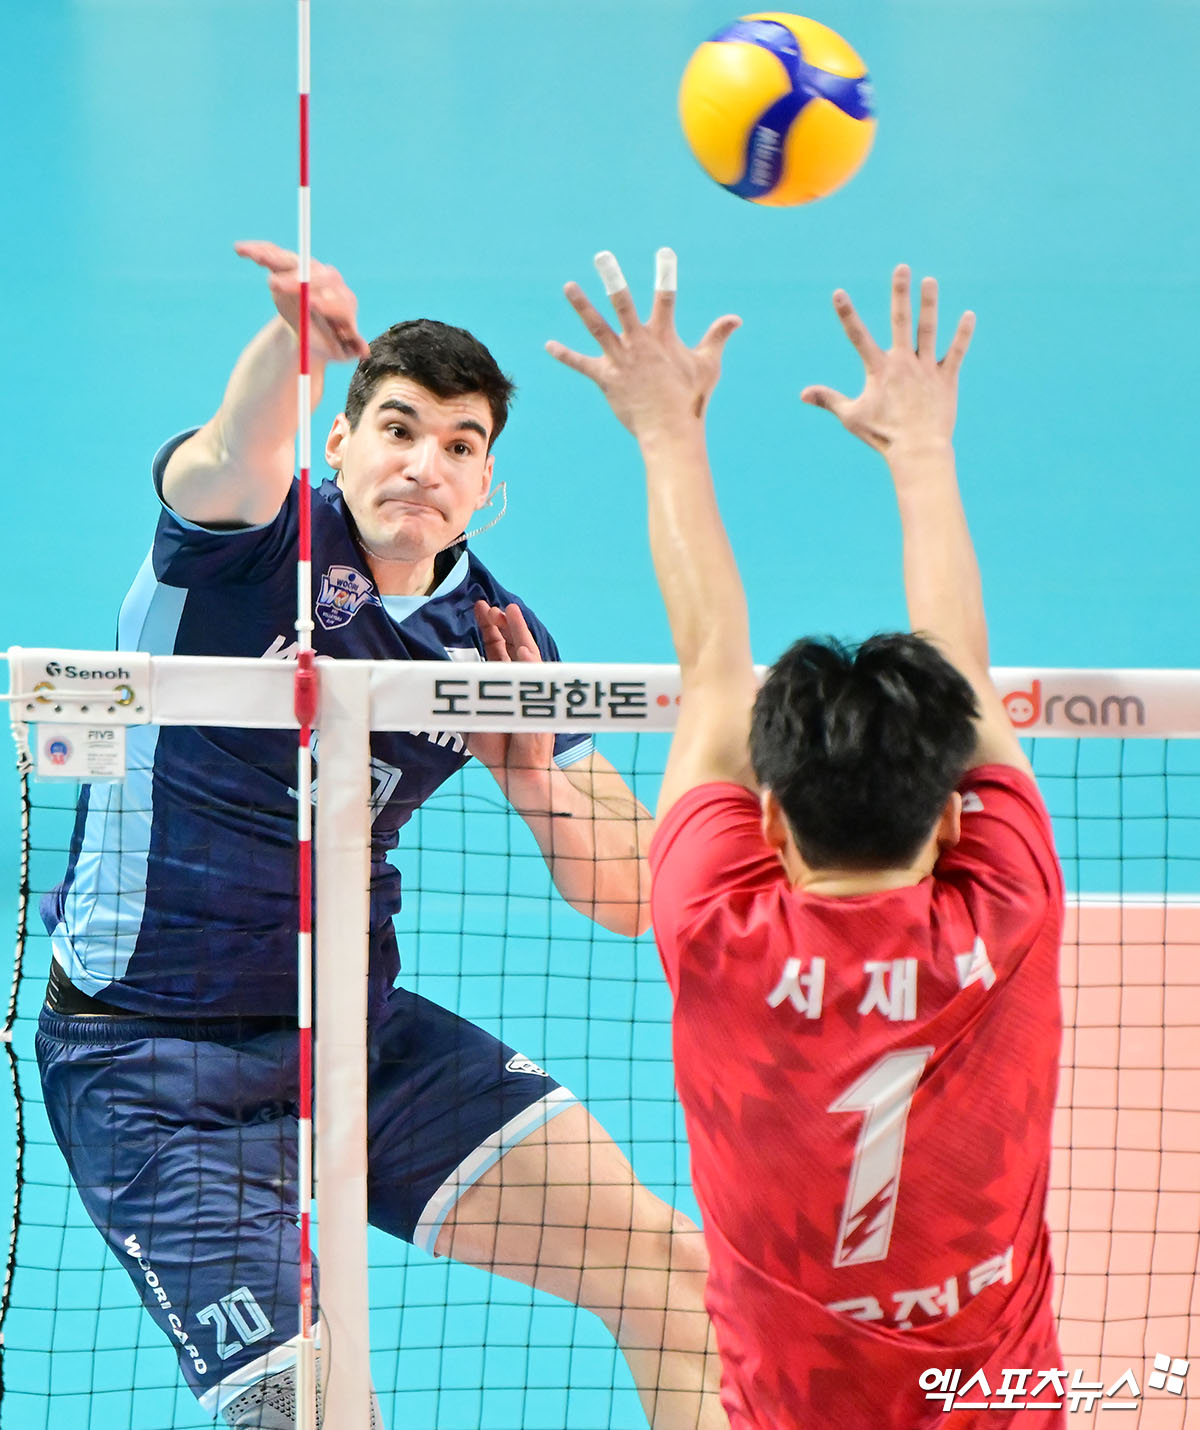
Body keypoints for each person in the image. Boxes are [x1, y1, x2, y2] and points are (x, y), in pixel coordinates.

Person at [35, 241, 727, 1429]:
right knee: (308, 1411)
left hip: (355, 1037)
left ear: (488, 483)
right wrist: (292, 345)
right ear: (341, 440)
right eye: (398, 428)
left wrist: (532, 779)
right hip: (155, 1063)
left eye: (460, 444)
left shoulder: (496, 636)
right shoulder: (249, 544)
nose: (424, 463)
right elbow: (229, 452)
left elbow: (629, 887)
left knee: (676, 1278)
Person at [549, 252, 1064, 1427]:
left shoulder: (710, 921)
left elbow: (711, 665)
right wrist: (922, 450)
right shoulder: (1011, 905)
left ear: (769, 820)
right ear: (953, 817)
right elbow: (964, 672)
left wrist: (667, 427)